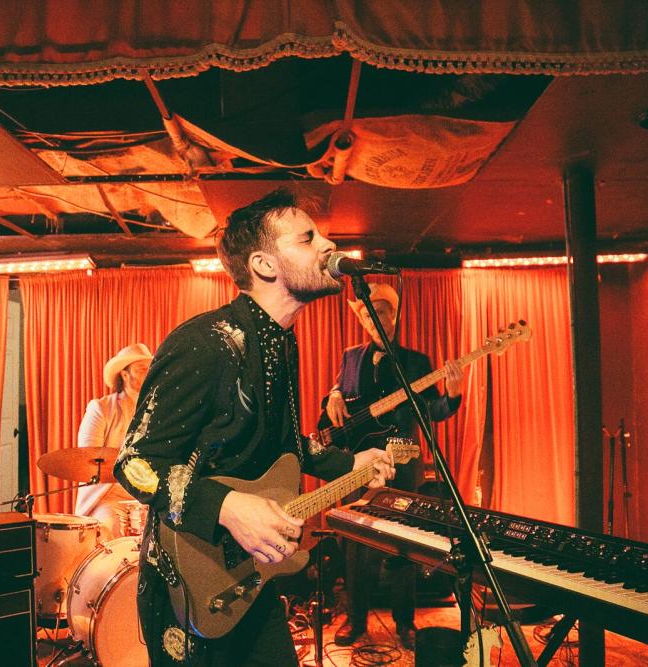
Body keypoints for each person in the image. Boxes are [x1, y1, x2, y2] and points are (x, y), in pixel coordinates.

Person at [113, 189, 396, 666]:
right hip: (191, 582)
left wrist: (351, 464)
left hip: (248, 577)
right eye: (308, 238)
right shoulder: (205, 342)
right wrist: (224, 506)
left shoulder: (282, 344)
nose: (328, 245)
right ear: (264, 265)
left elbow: (284, 446)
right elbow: (135, 463)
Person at [322, 282, 463, 649]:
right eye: (366, 314)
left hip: (401, 462)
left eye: (379, 312)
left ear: (393, 316)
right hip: (357, 463)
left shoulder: (416, 362)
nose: (372, 319)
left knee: (403, 544)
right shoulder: (350, 356)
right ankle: (356, 622)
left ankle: (405, 623)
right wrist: (333, 395)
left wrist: (452, 393)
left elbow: (435, 411)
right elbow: (339, 390)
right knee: (355, 544)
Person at [75, 343, 153, 540]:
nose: (149, 373)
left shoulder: (158, 410)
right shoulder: (100, 409)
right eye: (142, 369)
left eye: (150, 368)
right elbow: (88, 459)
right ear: (125, 375)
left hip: (149, 495)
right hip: (108, 496)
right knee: (112, 527)